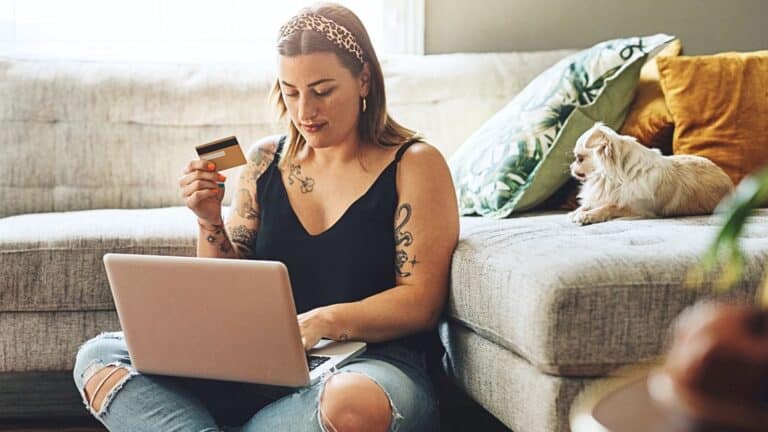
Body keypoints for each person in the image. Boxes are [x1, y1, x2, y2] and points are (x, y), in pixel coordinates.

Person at [72, 2, 459, 431]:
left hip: (371, 366)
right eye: (291, 92)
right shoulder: (264, 160)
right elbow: (223, 294)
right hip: (258, 364)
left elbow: (422, 303)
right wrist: (208, 220)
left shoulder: (415, 163)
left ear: (363, 78)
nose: (305, 111)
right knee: (99, 357)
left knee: (351, 404)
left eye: (322, 90)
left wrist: (323, 322)